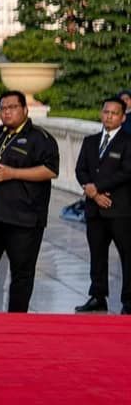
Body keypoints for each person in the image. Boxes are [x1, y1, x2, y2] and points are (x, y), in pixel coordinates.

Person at [0, 89, 61, 313]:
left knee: (21, 275)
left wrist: (13, 174)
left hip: (23, 219)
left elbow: (50, 170)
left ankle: (16, 322)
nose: (7, 112)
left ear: (25, 109)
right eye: (3, 108)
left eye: (12, 107)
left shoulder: (40, 138)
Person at [76, 98, 130, 313]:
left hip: (120, 209)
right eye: (106, 112)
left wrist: (95, 187)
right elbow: (81, 169)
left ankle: (128, 301)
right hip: (94, 209)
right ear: (101, 113)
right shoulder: (90, 141)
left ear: (123, 117)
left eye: (114, 113)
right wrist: (93, 192)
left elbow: (126, 172)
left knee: (127, 256)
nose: (109, 116)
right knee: (97, 255)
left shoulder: (128, 142)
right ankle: (98, 296)